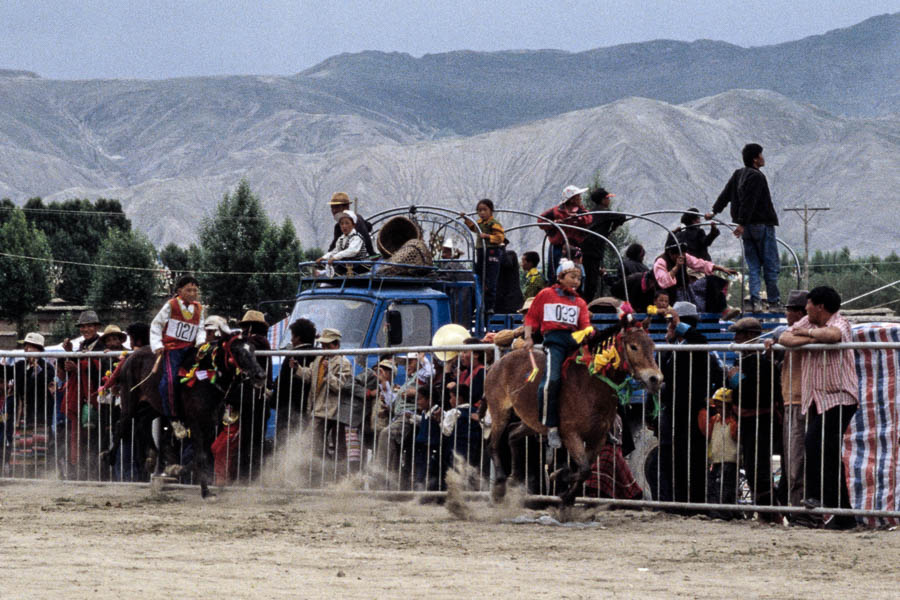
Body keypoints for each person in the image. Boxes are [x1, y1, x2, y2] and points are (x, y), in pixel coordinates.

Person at [778, 286, 859, 529]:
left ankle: (815, 495)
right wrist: (810, 336)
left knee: (814, 444)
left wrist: (808, 336)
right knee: (829, 456)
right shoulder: (806, 321)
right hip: (818, 399)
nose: (805, 309)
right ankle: (844, 516)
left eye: (809, 304)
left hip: (840, 397)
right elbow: (785, 338)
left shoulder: (841, 322)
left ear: (820, 306)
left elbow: (833, 336)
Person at [657, 301, 725, 505]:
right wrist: (668, 345)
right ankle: (677, 501)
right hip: (674, 411)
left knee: (694, 458)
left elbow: (700, 342)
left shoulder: (698, 345)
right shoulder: (673, 348)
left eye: (673, 323)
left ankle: (695, 502)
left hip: (694, 410)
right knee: (674, 458)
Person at [522, 259, 591, 449]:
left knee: (597, 376)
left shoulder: (580, 303)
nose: (576, 281)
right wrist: (528, 337)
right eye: (572, 277)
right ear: (561, 277)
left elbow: (585, 326)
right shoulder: (545, 294)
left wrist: (589, 335)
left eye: (579, 278)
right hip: (555, 342)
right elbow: (531, 317)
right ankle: (550, 426)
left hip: (574, 341)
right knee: (552, 380)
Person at [707, 143, 781, 312]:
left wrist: (714, 211)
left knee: (753, 266)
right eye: (761, 155)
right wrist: (742, 222)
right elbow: (750, 201)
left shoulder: (738, 174)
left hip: (747, 229)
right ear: (755, 159)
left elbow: (725, 195)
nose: (763, 158)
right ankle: (774, 302)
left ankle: (755, 301)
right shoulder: (757, 176)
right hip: (760, 225)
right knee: (770, 265)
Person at [726, 317, 782, 518]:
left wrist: (736, 380)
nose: (735, 338)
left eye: (739, 334)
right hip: (747, 422)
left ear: (750, 336)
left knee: (759, 471)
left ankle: (771, 514)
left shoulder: (763, 363)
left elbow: (756, 395)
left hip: (761, 422)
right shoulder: (744, 361)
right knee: (751, 469)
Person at [764, 289, 808, 508]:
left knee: (796, 459)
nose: (787, 315)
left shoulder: (799, 333)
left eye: (790, 311)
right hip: (789, 400)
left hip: (800, 400)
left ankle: (800, 508)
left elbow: (781, 332)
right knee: (790, 458)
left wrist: (778, 337)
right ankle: (792, 505)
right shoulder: (794, 335)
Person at [149, 275, 205, 439]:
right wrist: (157, 345)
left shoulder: (199, 308)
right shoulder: (171, 305)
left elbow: (201, 328)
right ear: (179, 291)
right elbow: (156, 324)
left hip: (190, 349)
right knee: (170, 381)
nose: (193, 293)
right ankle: (173, 417)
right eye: (189, 290)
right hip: (172, 349)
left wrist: (201, 342)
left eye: (195, 290)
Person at [294, 328, 353, 481]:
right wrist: (298, 369)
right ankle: (314, 476)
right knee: (311, 442)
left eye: (328, 346)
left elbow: (341, 386)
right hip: (319, 408)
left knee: (338, 447)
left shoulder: (344, 363)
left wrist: (329, 375)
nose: (324, 349)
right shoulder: (319, 359)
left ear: (336, 345)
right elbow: (310, 375)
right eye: (323, 345)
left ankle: (340, 479)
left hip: (335, 411)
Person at [2, 332, 56, 477]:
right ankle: (20, 476)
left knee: (39, 450)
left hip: (40, 415)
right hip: (22, 414)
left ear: (39, 350)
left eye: (32, 347)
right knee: (20, 449)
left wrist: (35, 369)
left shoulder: (47, 368)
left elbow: (38, 384)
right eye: (26, 346)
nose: (28, 349)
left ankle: (40, 477)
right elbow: (5, 372)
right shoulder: (19, 365)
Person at [61, 309, 106, 479]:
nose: (85, 330)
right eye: (83, 327)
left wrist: (78, 368)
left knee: (94, 437)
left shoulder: (102, 346)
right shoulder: (82, 347)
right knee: (80, 438)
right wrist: (70, 353)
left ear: (96, 327)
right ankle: (81, 472)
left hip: (97, 399)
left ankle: (95, 474)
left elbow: (100, 373)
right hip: (81, 399)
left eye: (89, 326)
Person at [653, 235, 736, 312]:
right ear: (671, 253)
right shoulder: (661, 261)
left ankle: (722, 309)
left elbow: (699, 263)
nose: (682, 256)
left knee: (712, 281)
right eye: (679, 254)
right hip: (672, 294)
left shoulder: (684, 256)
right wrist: (677, 267)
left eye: (683, 253)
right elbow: (663, 282)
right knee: (685, 310)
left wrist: (721, 268)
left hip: (687, 289)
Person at [698, 387, 739, 516]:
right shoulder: (714, 420)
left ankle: (726, 513)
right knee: (713, 487)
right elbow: (706, 431)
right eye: (718, 406)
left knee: (726, 488)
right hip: (715, 461)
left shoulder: (734, 422)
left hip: (730, 461)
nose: (719, 409)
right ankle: (717, 512)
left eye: (722, 406)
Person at [460, 198, 505, 313]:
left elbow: (500, 238)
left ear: (491, 210)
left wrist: (489, 237)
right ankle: (479, 304)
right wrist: (465, 219)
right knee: (479, 276)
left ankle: (490, 306)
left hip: (492, 252)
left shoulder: (494, 224)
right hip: (481, 252)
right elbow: (472, 227)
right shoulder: (479, 223)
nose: (482, 213)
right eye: (479, 211)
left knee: (490, 279)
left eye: (485, 210)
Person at [581, 186, 626, 301]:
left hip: (587, 247)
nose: (609, 200)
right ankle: (587, 303)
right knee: (592, 280)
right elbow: (621, 216)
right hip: (594, 249)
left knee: (588, 277)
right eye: (607, 198)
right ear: (602, 200)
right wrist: (616, 224)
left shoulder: (592, 212)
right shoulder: (604, 212)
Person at [539, 185, 593, 278]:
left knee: (576, 270)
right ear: (572, 199)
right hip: (558, 246)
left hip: (575, 247)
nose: (580, 198)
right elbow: (540, 221)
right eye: (578, 196)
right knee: (556, 270)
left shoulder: (581, 211)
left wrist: (578, 218)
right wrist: (553, 223)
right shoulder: (556, 211)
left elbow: (589, 219)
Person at [327, 192, 375, 257]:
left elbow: (334, 247)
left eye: (337, 207)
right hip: (369, 256)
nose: (334, 210)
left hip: (355, 260)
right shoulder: (359, 217)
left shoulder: (340, 226)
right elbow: (369, 226)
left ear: (347, 207)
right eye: (332, 208)